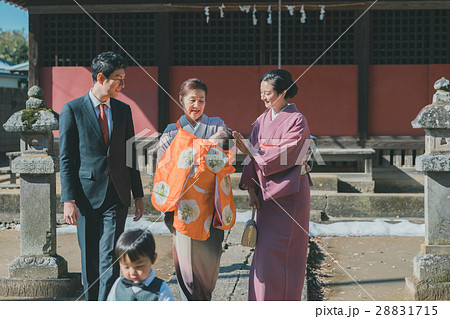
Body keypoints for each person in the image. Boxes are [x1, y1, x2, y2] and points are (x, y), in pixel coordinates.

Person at [59, 51, 145, 301]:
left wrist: (138, 195)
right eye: (118, 78)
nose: (123, 84)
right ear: (100, 77)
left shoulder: (123, 110)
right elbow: (67, 158)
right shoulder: (72, 110)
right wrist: (69, 199)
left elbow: (131, 155)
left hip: (116, 194)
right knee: (89, 257)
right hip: (85, 197)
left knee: (110, 256)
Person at [153, 78, 235, 301]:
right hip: (183, 209)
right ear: (181, 100)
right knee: (187, 271)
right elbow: (162, 172)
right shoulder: (171, 133)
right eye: (192, 100)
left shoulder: (218, 126)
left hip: (211, 206)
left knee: (209, 267)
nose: (197, 105)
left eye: (201, 100)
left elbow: (228, 157)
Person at [233, 69, 311, 301]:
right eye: (261, 93)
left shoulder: (297, 120)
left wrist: (253, 151)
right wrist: (251, 188)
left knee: (285, 255)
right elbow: (253, 157)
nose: (263, 98)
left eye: (268, 93)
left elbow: (287, 154)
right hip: (266, 197)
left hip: (290, 195)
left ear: (283, 92)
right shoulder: (261, 120)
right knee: (264, 257)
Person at [107, 229, 174, 301]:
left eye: (139, 266)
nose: (132, 272)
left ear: (153, 258)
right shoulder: (118, 284)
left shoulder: (161, 288)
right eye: (126, 267)